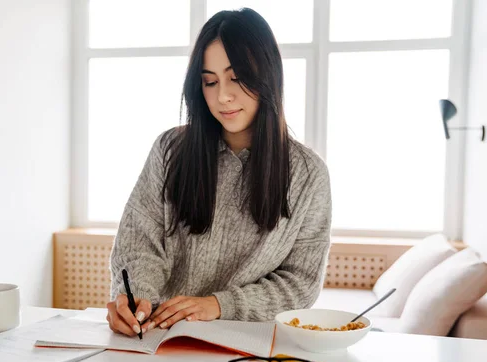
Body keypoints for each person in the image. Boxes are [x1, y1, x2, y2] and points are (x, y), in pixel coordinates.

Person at [106, 8, 332, 337]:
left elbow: (300, 283)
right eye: (210, 81)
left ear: (267, 75)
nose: (223, 96)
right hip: (160, 339)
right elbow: (139, 242)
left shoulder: (308, 175)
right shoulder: (171, 150)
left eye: (237, 78)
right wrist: (135, 297)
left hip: (248, 345)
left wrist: (219, 305)